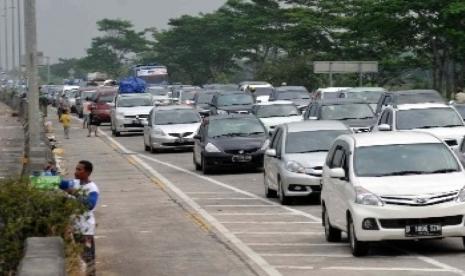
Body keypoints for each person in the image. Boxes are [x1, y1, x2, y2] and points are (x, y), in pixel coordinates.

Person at [60, 161, 99, 276]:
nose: (75, 172)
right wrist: (50, 172)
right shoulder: (74, 183)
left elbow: (90, 204)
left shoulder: (92, 188)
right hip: (74, 227)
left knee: (87, 258)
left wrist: (75, 194)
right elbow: (60, 183)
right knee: (76, 258)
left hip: (85, 229)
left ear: (87, 172)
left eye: (79, 170)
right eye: (76, 169)